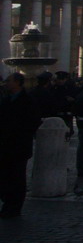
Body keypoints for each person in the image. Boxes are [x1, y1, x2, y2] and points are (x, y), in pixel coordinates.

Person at [0, 73, 41, 218]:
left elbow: (34, 121)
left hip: (19, 145)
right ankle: (7, 203)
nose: (6, 83)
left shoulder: (28, 101)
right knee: (5, 176)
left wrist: (21, 133)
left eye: (9, 81)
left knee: (17, 177)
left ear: (17, 82)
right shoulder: (6, 100)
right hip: (5, 145)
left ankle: (14, 207)